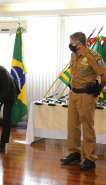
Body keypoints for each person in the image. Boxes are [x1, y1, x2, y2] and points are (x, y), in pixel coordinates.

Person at [60, 32, 106, 170]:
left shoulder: (93, 56)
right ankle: (74, 153)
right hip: (74, 94)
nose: (70, 45)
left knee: (87, 126)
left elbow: (104, 75)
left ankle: (90, 158)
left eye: (72, 43)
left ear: (80, 44)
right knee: (72, 125)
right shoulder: (74, 54)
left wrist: (99, 89)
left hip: (87, 96)